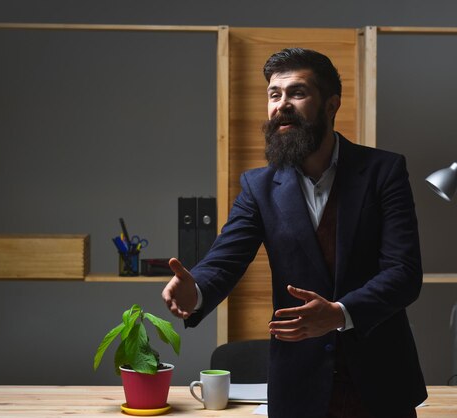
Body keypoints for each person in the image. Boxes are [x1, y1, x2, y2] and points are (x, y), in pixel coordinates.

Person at [162, 47, 427, 418]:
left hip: (381, 383)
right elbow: (224, 261)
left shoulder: (384, 172)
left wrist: (339, 313)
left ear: (331, 105)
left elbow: (404, 274)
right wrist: (197, 290)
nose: (281, 104)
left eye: (297, 93)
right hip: (299, 387)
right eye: (274, 94)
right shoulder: (258, 186)